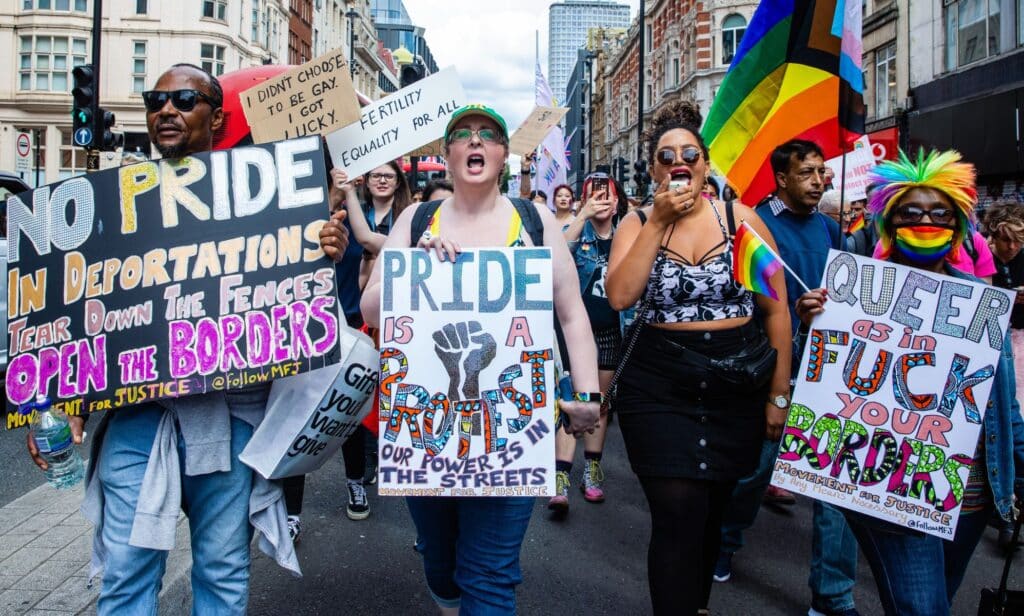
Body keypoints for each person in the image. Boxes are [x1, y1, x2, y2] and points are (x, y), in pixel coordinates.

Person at [23, 63, 350, 615]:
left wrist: (316, 246)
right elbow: (85, 312)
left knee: (222, 572)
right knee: (126, 570)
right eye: (156, 100)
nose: (167, 110)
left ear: (216, 117)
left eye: (184, 100)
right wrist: (63, 403)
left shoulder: (261, 202)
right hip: (140, 417)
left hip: (229, 419)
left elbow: (296, 305)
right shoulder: (114, 204)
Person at [361, 103, 601, 615]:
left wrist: (586, 396)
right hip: (425, 430)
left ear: (503, 154)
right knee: (440, 560)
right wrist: (412, 267)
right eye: (463, 135)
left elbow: (573, 316)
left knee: (489, 574)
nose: (475, 142)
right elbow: (369, 306)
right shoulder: (416, 219)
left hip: (511, 429)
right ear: (447, 154)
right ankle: (449, 600)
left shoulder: (534, 221)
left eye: (488, 135)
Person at [795, 149, 1024, 616]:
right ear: (888, 223)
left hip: (973, 500)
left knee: (932, 599)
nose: (926, 221)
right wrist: (811, 326)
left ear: (959, 225)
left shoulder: (983, 304)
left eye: (940, 212)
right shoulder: (854, 296)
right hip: (893, 491)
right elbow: (819, 386)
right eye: (911, 212)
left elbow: (1005, 403)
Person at [605, 100, 792, 616]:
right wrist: (657, 221)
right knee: (677, 512)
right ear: (654, 169)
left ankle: (697, 605)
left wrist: (779, 395)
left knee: (712, 509)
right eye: (666, 156)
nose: (678, 161)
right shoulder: (637, 221)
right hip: (659, 384)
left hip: (736, 384)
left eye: (689, 153)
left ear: (706, 164)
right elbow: (620, 295)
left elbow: (776, 313)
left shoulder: (743, 220)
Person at [715, 139, 860, 616]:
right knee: (754, 471)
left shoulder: (832, 230)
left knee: (837, 487)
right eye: (808, 173)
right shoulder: (756, 227)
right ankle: (722, 541)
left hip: (831, 375)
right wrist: (793, 318)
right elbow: (743, 305)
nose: (820, 180)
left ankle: (831, 593)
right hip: (774, 370)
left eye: (822, 172)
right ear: (781, 178)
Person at [331, 161, 411, 520]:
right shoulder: (348, 213)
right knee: (357, 394)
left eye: (389, 175)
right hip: (350, 311)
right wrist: (342, 194)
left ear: (399, 182)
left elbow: (368, 240)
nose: (381, 179)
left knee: (389, 391)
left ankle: (388, 455)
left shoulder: (410, 222)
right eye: (376, 174)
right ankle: (362, 466)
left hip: (394, 323)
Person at [549, 173, 623, 514]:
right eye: (594, 195)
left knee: (600, 404)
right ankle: (560, 475)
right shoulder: (579, 235)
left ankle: (592, 470)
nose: (602, 201)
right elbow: (554, 254)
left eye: (607, 195)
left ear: (618, 201)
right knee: (573, 401)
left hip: (611, 332)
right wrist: (582, 216)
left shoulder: (628, 234)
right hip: (579, 334)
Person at [986, 200, 1024, 410]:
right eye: (1006, 240)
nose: (1012, 247)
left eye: (1018, 240)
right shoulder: (981, 258)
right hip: (997, 341)